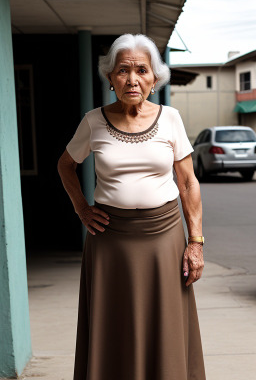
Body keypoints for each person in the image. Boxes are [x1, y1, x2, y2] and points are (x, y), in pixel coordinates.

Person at [57, 33, 206, 380]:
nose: (132, 79)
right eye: (123, 70)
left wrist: (195, 242)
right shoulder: (93, 121)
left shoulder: (170, 119)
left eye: (142, 70)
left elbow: (187, 183)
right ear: (110, 77)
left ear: (155, 78)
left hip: (164, 240)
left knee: (165, 327)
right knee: (114, 327)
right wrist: (81, 207)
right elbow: (65, 165)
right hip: (111, 242)